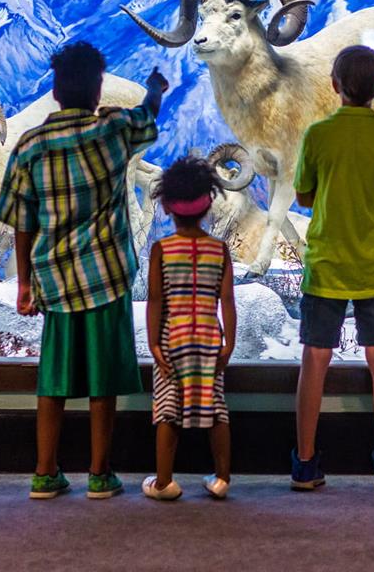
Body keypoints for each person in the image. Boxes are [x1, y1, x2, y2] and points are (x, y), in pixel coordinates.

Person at [0, 41, 168, 500]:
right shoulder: (112, 128)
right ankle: (98, 472)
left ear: (54, 90)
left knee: (53, 379)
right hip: (106, 277)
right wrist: (154, 91)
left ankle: (44, 472)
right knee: (101, 381)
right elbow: (147, 119)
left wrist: (26, 284)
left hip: (54, 280)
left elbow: (21, 220)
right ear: (98, 92)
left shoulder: (30, 146)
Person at [291, 45, 374, 492]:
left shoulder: (318, 136)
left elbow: (304, 196)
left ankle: (305, 462)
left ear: (333, 85)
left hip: (325, 264)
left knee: (315, 359)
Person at [142, 156, 238, 501]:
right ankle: (222, 478)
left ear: (166, 206)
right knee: (215, 408)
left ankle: (164, 481)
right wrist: (228, 343)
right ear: (208, 202)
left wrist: (154, 344)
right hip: (210, 340)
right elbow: (226, 300)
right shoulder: (219, 250)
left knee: (168, 409)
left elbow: (155, 301)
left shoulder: (161, 250)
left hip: (172, 340)